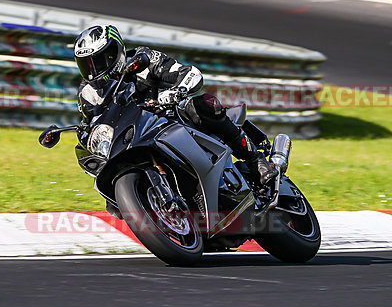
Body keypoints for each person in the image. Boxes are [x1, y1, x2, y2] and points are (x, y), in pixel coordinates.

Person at [73, 24, 277, 186]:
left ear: (114, 52)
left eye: (99, 61)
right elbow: (93, 125)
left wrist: (175, 92)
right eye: (87, 64)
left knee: (202, 105)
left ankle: (254, 160)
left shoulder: (143, 59)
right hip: (132, 136)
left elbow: (189, 73)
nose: (94, 71)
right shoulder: (88, 94)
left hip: (169, 118)